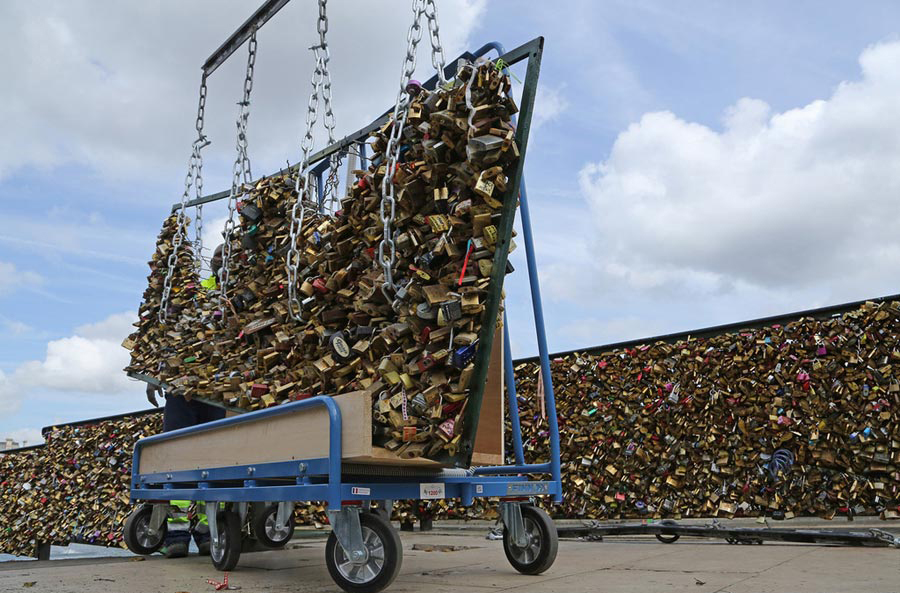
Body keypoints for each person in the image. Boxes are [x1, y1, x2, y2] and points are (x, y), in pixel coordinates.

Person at [143, 243, 227, 558]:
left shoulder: (244, 290)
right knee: (176, 453)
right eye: (217, 255)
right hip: (182, 387)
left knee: (212, 457)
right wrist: (157, 374)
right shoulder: (198, 291)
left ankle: (205, 529)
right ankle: (176, 531)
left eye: (226, 254)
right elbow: (170, 330)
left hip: (217, 389)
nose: (220, 259)